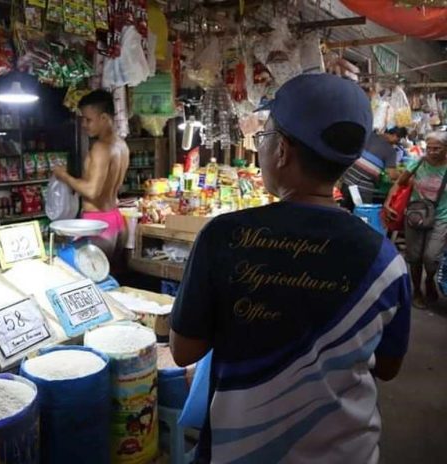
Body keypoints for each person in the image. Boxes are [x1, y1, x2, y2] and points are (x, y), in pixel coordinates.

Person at [170, 74, 411, 464]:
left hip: (241, 451)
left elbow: (184, 351)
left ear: (281, 150)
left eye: (262, 136)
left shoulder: (224, 236)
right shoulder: (386, 259)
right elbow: (387, 366)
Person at [52, 90, 129, 259]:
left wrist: (63, 176)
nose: (84, 125)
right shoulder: (122, 146)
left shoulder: (100, 147)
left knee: (93, 280)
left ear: (104, 118)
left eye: (88, 120)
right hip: (116, 219)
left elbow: (92, 191)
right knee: (109, 280)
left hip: (98, 224)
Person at [384, 131, 447, 309]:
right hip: (416, 215)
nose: (432, 152)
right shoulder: (418, 162)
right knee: (414, 256)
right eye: (430, 148)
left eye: (437, 148)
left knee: (431, 257)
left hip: (442, 217)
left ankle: (430, 281)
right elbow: (400, 182)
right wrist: (389, 200)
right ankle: (417, 291)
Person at [340, 129, 399, 210]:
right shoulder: (391, 151)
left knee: (343, 209)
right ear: (394, 135)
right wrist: (403, 175)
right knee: (361, 214)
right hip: (363, 188)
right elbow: (392, 174)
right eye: (398, 138)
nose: (397, 142)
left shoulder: (369, 135)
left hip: (348, 180)